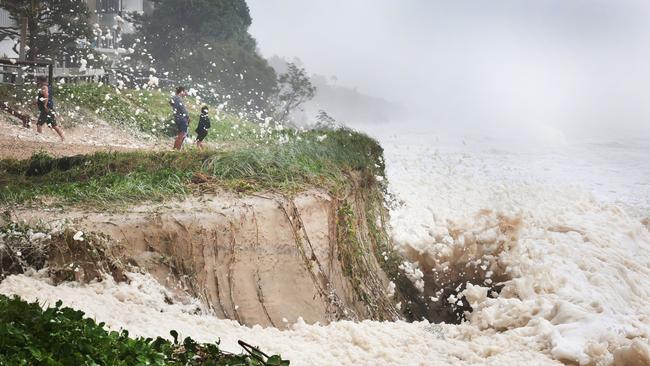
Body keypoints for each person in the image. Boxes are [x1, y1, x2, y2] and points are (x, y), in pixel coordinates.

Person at [35, 76, 64, 141]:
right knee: (54, 125)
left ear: (40, 81)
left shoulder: (44, 87)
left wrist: (45, 105)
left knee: (39, 124)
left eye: (38, 81)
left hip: (46, 109)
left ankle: (39, 139)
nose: (37, 82)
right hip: (49, 109)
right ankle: (63, 137)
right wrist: (37, 102)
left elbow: (46, 96)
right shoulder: (47, 87)